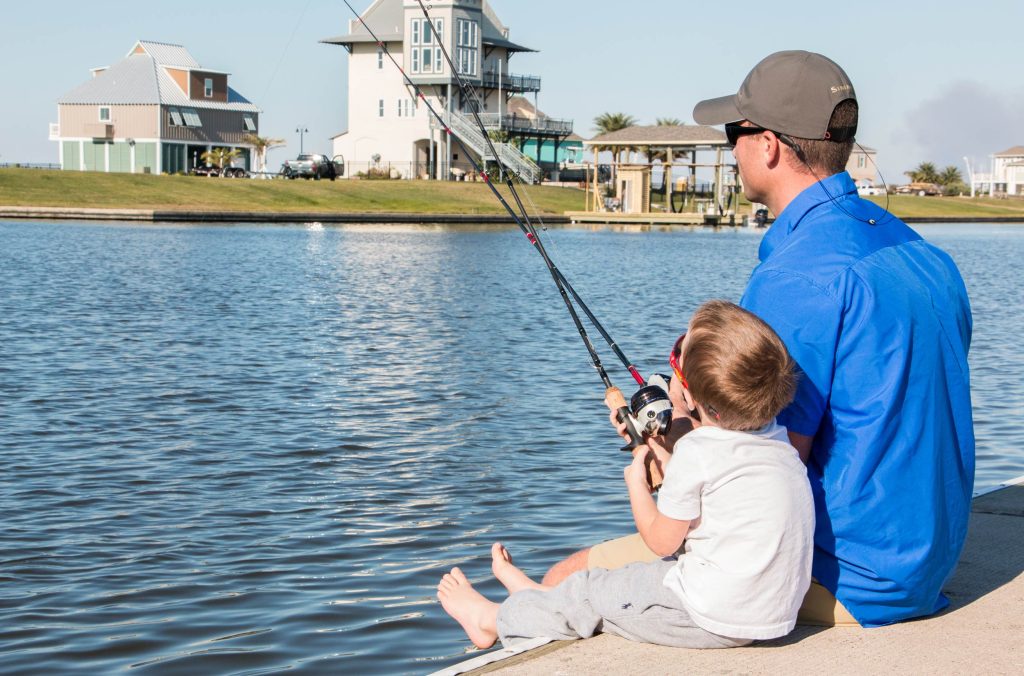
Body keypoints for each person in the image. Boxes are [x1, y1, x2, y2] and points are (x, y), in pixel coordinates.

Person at [542, 51, 975, 629]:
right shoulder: (924, 254)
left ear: (768, 145)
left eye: (734, 134)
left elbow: (765, 463)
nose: (732, 149)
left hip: (851, 575)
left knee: (562, 579)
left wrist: (672, 443)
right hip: (926, 563)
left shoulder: (797, 278)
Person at [437, 301, 814, 649]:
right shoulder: (776, 442)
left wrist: (637, 483)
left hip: (711, 618)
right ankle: (537, 598)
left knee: (592, 589)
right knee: (628, 581)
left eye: (676, 362)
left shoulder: (699, 452)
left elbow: (662, 542)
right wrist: (659, 452)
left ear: (692, 396)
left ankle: (490, 620)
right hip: (771, 614)